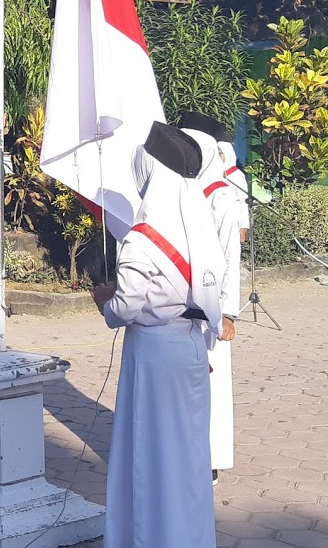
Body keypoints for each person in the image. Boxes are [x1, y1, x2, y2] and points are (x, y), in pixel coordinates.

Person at [88, 122, 223, 548]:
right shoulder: (201, 227)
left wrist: (105, 304)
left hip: (152, 353)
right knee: (188, 456)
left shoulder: (141, 239)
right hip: (191, 346)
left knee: (148, 455)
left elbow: (126, 306)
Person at [179, 112, 248, 483]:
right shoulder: (174, 188)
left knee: (212, 382)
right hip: (173, 305)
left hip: (210, 309)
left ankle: (210, 459)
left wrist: (228, 312)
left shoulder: (221, 195)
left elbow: (230, 256)